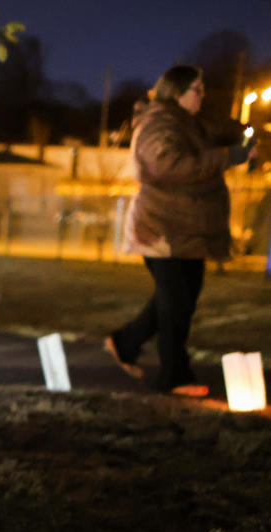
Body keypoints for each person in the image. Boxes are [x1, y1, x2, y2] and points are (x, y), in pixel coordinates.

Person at [105, 65, 256, 397]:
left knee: (177, 301)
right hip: (162, 230)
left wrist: (246, 134)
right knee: (175, 306)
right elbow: (169, 167)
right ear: (176, 92)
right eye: (197, 90)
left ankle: (123, 342)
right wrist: (228, 156)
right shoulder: (157, 125)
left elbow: (221, 128)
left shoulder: (190, 122)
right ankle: (175, 376)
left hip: (187, 230)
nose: (203, 95)